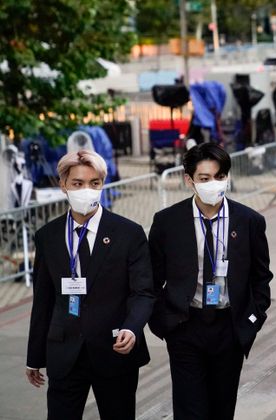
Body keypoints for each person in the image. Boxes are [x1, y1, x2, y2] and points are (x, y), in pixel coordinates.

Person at [25, 150, 155, 420]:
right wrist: (34, 356)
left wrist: (132, 328)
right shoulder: (47, 237)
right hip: (65, 353)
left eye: (94, 183)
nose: (87, 190)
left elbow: (143, 292)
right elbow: (43, 300)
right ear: (63, 185)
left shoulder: (128, 233)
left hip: (114, 350)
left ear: (102, 185)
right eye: (78, 183)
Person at [148, 142, 273, 419]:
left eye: (220, 177)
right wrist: (164, 322)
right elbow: (152, 278)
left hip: (229, 326)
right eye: (204, 178)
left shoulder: (249, 220)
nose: (213, 184)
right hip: (185, 326)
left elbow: (261, 275)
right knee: (189, 408)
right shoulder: (167, 222)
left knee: (222, 406)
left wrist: (254, 317)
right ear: (189, 180)